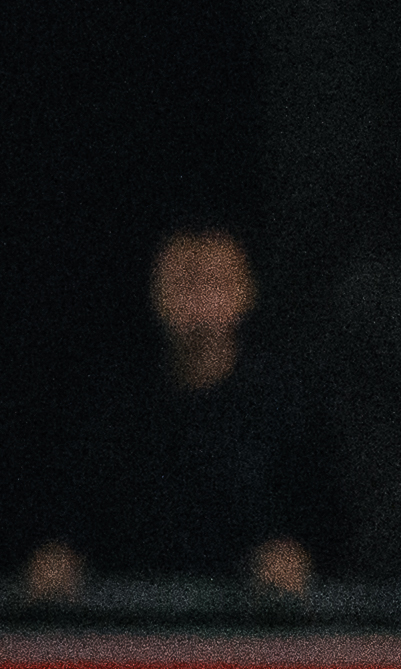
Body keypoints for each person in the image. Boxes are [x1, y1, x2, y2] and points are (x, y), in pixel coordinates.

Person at [21, 223, 327, 596]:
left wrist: (294, 559)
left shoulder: (287, 405)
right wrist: (59, 554)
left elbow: (323, 528)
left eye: (215, 282)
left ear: (246, 293)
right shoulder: (112, 401)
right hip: (124, 625)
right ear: (155, 292)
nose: (198, 300)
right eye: (183, 282)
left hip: (248, 634)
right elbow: (71, 516)